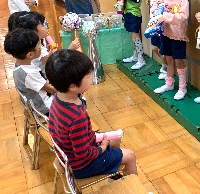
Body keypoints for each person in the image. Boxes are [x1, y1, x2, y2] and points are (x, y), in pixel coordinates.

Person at [46, 49, 137, 178]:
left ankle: (113, 173)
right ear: (72, 86)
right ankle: (126, 181)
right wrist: (102, 148)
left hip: (68, 153)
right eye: (88, 75)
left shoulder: (58, 97)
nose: (92, 75)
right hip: (82, 165)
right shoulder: (77, 117)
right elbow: (84, 154)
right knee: (130, 155)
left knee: (115, 138)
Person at [153, 0, 190, 100]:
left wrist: (165, 17)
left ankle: (182, 87)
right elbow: (156, 4)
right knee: (168, 59)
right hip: (165, 33)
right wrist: (155, 11)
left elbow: (182, 17)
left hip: (178, 36)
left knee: (179, 61)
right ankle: (169, 83)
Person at [8, 11, 80, 74]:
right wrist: (70, 49)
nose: (46, 27)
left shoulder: (35, 43)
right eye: (42, 25)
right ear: (34, 32)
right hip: (46, 75)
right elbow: (54, 61)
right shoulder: (35, 47)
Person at [4, 28, 56, 115]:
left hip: (35, 101)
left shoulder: (19, 65)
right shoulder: (29, 74)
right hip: (45, 107)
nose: (41, 48)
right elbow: (52, 90)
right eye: (39, 45)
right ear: (30, 54)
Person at [120, 0, 145, 70]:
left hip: (134, 14)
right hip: (129, 13)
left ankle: (141, 59)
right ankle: (136, 55)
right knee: (133, 36)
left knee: (136, 37)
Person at [148, 0, 168, 79]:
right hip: (153, 24)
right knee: (155, 47)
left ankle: (165, 66)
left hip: (162, 26)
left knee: (162, 47)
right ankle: (165, 63)